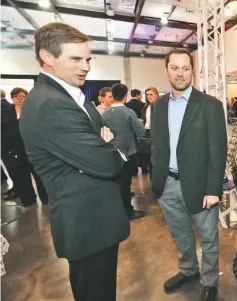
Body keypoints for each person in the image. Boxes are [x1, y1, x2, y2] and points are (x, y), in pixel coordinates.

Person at [18, 22, 130, 301]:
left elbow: (107, 143)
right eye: (76, 59)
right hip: (87, 224)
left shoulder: (65, 96)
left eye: (88, 59)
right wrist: (108, 146)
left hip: (94, 221)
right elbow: (108, 162)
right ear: (47, 57)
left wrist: (105, 146)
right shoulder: (50, 104)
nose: (86, 66)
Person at [151, 48, 227, 301]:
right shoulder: (157, 106)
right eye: (175, 67)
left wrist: (213, 189)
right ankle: (188, 270)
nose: (180, 73)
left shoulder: (210, 106)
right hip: (167, 185)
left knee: (207, 236)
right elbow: (157, 144)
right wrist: (156, 180)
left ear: (193, 71)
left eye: (185, 68)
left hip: (199, 186)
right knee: (180, 233)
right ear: (167, 70)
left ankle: (209, 280)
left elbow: (218, 150)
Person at [102, 83, 146, 220]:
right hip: (127, 153)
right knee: (125, 185)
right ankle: (128, 212)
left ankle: (117, 210)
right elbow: (141, 131)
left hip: (110, 153)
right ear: (125, 96)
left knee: (116, 184)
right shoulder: (128, 112)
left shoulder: (105, 113)